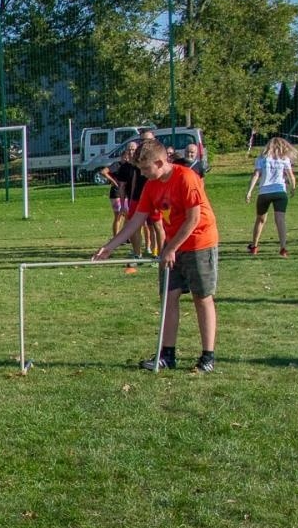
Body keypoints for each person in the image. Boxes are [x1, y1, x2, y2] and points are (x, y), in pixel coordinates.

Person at [94, 139, 219, 373]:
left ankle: (207, 357)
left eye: (144, 169)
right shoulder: (150, 186)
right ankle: (167, 355)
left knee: (202, 298)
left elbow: (193, 219)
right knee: (168, 297)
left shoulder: (186, 178)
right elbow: (135, 222)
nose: (141, 173)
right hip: (174, 246)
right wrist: (110, 247)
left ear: (161, 162)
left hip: (200, 242)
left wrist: (170, 248)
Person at [244, 136, 297, 257]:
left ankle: (254, 246)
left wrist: (249, 191)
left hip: (264, 192)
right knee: (280, 220)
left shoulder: (262, 158)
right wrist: (293, 188)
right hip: (280, 192)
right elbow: (291, 175)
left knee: (260, 220)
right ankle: (283, 248)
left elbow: (256, 175)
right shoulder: (285, 159)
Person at [101, 140, 140, 248]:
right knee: (119, 216)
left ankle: (125, 237)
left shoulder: (140, 165)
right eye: (128, 151)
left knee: (127, 218)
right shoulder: (118, 165)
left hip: (131, 197)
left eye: (133, 150)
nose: (129, 154)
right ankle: (118, 238)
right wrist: (114, 182)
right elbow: (103, 171)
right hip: (117, 194)